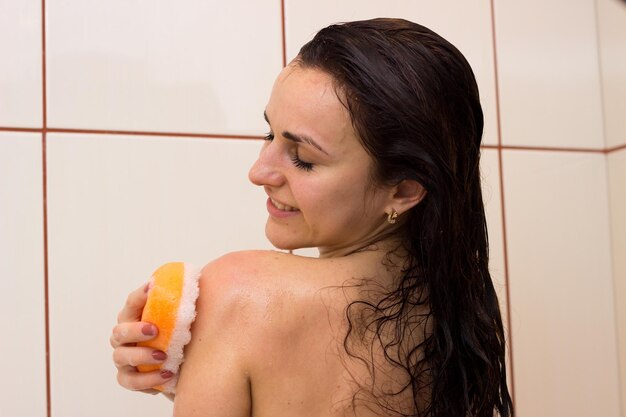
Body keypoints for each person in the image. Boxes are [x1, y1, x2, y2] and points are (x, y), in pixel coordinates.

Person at [110, 18, 513, 417]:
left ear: (404, 190)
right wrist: (201, 373)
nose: (258, 172)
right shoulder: (458, 326)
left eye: (303, 159)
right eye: (271, 135)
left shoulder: (237, 293)